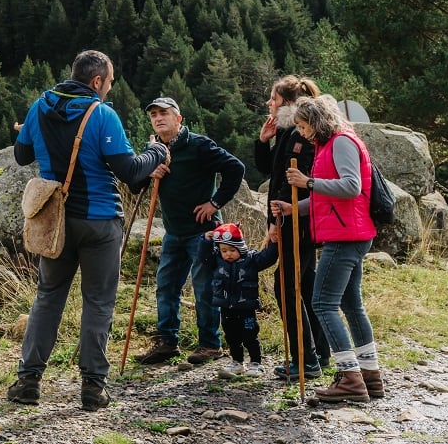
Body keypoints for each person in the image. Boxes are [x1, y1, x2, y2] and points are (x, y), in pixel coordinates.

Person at [8, 50, 169, 411]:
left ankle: (28, 381)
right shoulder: (102, 115)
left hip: (56, 222)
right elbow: (128, 171)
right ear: (96, 81)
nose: (109, 90)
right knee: (98, 302)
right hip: (99, 220)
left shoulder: (39, 106)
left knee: (48, 296)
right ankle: (93, 388)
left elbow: (21, 156)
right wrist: (155, 152)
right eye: (109, 82)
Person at [272, 94, 384, 404]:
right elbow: (328, 196)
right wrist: (293, 207)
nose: (301, 132)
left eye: (304, 125)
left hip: (346, 235)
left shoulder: (341, 142)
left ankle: (350, 378)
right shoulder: (329, 144)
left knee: (322, 303)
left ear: (317, 121)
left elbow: (351, 187)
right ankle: (369, 375)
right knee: (350, 305)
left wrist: (307, 182)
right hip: (349, 231)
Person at [136, 97, 246, 366]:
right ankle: (167, 343)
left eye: (164, 113)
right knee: (166, 287)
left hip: (203, 232)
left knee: (204, 288)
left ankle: (210, 344)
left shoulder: (199, 145)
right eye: (153, 115)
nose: (158, 118)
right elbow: (134, 185)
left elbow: (236, 168)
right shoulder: (153, 149)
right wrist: (150, 172)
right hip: (173, 231)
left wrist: (214, 203)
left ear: (179, 118)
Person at [254, 75, 331, 381]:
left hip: (296, 220)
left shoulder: (302, 137)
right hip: (294, 219)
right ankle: (320, 354)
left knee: (286, 286)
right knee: (307, 286)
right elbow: (269, 169)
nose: (268, 103)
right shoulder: (289, 132)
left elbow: (292, 185)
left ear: (286, 103)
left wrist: (277, 222)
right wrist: (263, 141)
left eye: (272, 99)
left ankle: (305, 358)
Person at [200, 222, 278, 379]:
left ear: (240, 248)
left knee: (250, 335)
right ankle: (237, 362)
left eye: (232, 250)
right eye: (224, 251)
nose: (228, 254)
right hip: (226, 307)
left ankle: (256, 363)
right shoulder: (216, 261)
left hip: (246, 308)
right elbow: (204, 258)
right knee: (231, 336)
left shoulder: (251, 260)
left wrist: (274, 243)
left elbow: (268, 258)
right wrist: (205, 241)